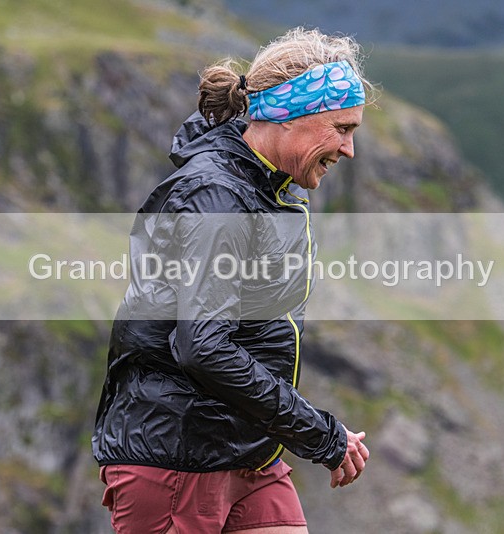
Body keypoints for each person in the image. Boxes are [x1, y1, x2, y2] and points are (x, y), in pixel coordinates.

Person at [92, 27, 372, 533]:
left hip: (251, 454)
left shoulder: (273, 190)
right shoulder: (215, 196)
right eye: (341, 128)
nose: (349, 149)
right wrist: (319, 433)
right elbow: (203, 346)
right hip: (178, 454)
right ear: (290, 117)